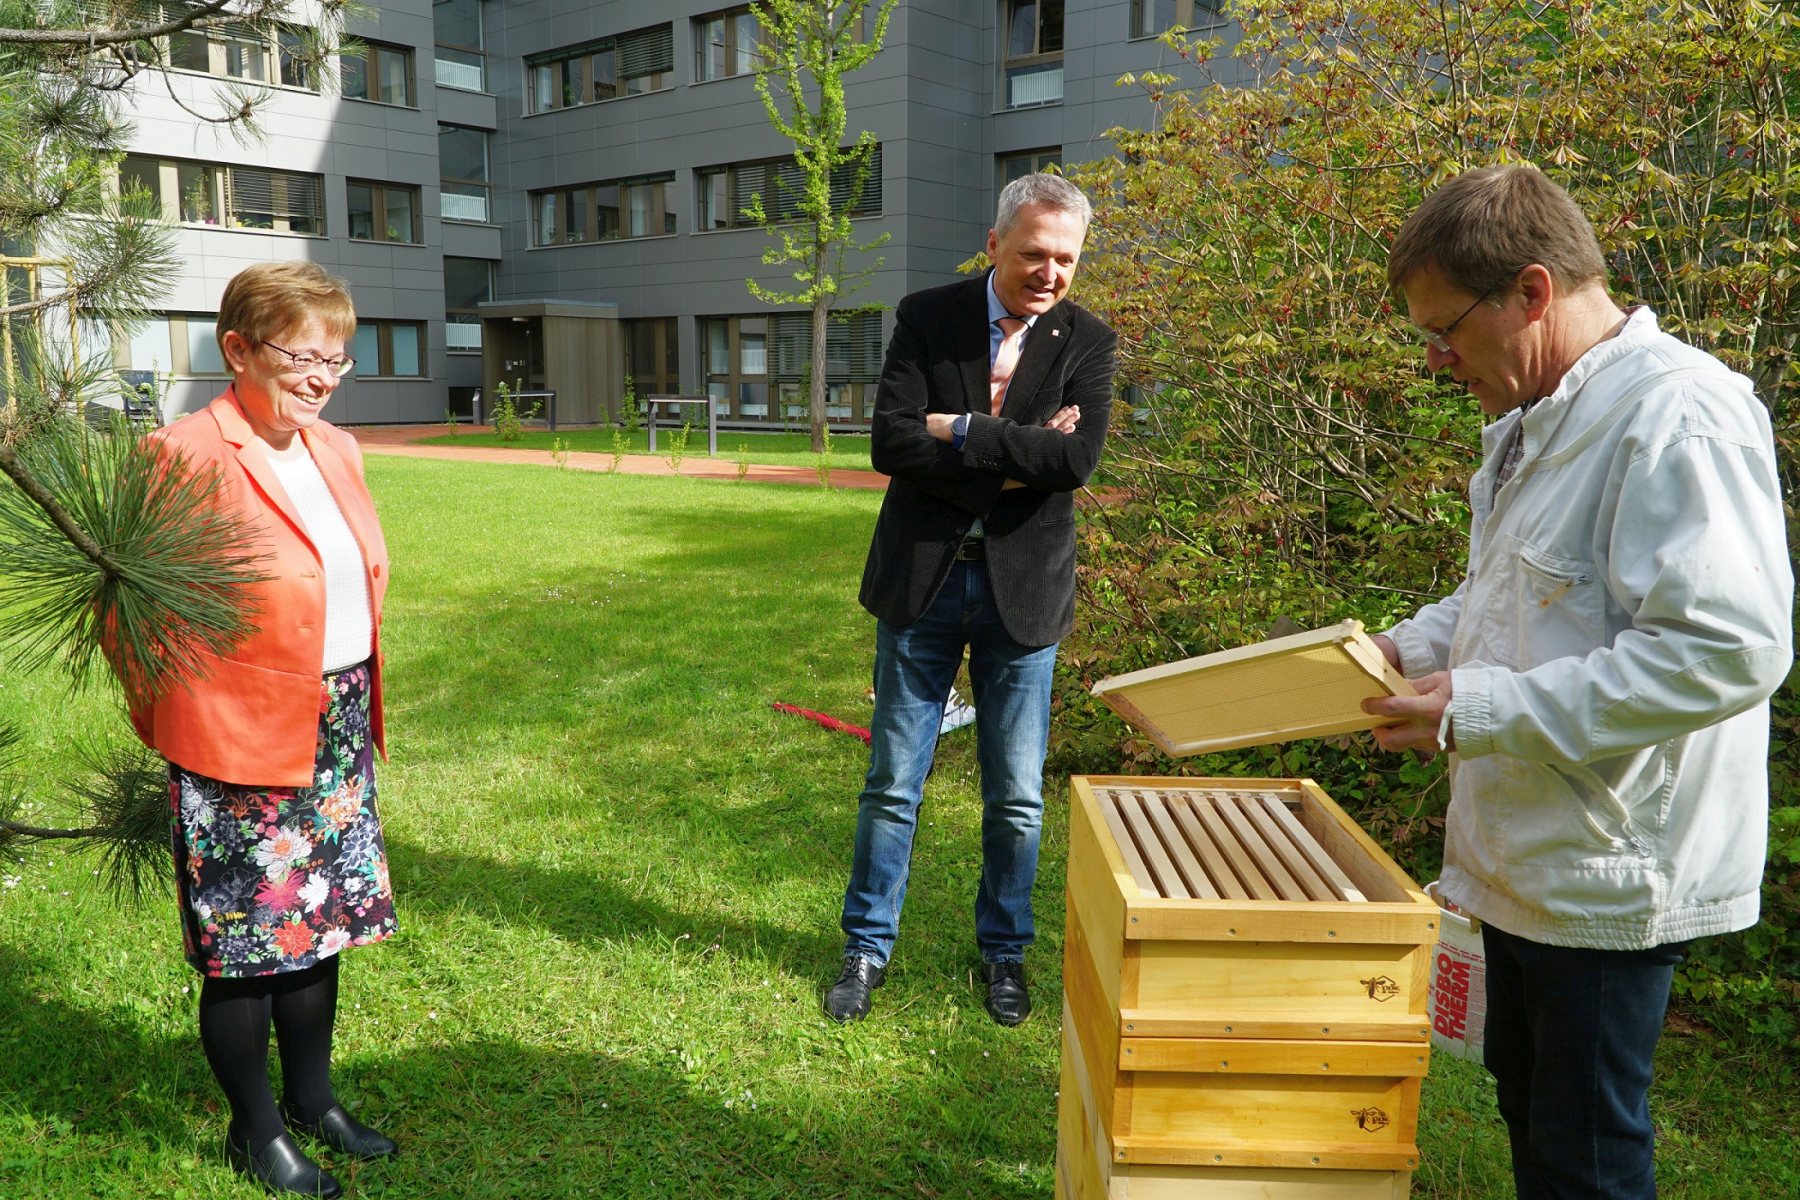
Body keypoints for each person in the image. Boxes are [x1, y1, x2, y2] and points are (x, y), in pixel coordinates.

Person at [1362, 165, 1792, 1199]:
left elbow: (1727, 647)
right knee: (1537, 1126)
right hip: (1529, 857)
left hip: (1612, 868)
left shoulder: (1681, 413)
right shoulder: (1541, 412)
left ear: (1533, 291)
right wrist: (1402, 656)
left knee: (1584, 1161)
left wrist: (1476, 710)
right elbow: (1513, 598)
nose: (1436, 359)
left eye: (1446, 329)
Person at [130, 262, 399, 1198]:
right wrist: (190, 729)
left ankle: (315, 1099)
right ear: (237, 348)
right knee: (249, 947)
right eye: (304, 355)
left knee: (317, 928)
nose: (324, 376)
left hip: (337, 724)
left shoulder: (337, 448)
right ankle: (256, 1131)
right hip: (235, 736)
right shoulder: (183, 454)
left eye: (340, 357)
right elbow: (134, 622)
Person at [824, 174, 1118, 1026]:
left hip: (1024, 594)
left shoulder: (1089, 342)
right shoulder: (928, 315)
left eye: (1065, 258)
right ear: (994, 244)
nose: (1049, 272)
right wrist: (1020, 448)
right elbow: (890, 442)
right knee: (890, 782)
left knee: (1017, 793)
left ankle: (1004, 955)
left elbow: (1076, 464)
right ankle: (866, 947)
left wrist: (960, 427)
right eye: (1033, 253)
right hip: (922, 581)